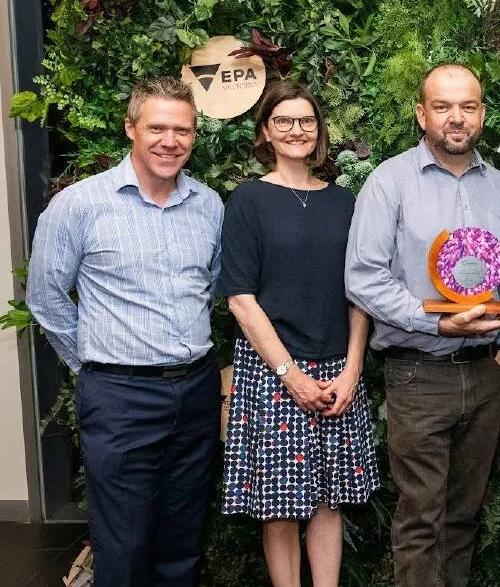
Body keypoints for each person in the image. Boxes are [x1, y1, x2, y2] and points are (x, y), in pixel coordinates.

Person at [26, 77, 223, 587]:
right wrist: (96, 366)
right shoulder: (80, 206)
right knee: (124, 540)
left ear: (194, 136)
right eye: (157, 127)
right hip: (119, 397)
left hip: (196, 391)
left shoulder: (210, 206)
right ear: (130, 128)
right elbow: (46, 299)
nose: (170, 140)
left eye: (182, 130)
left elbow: (215, 286)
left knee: (182, 535)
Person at [345, 63, 500, 587]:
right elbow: (363, 278)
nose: (456, 117)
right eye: (443, 106)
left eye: (468, 106)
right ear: (422, 113)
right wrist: (432, 322)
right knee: (421, 517)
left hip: (487, 374)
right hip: (419, 375)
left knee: (465, 515)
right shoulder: (389, 182)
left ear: (482, 114)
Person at [218, 81, 380, 587]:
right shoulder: (248, 201)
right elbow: (241, 299)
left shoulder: (345, 202)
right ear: (266, 130)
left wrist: (353, 369)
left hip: (338, 370)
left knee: (329, 502)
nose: (296, 130)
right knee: (280, 507)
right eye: (283, 121)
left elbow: (361, 293)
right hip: (272, 374)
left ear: (319, 130)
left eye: (305, 121)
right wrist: (290, 374)